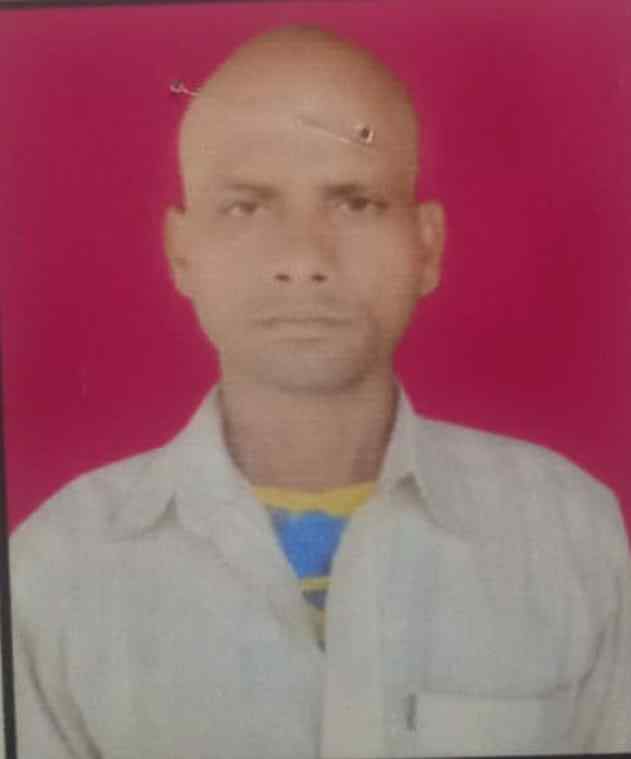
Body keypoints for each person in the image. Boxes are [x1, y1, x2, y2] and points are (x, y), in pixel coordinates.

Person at [8, 24, 631, 759]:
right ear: (182, 253)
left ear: (426, 246)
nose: (303, 258)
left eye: (355, 203)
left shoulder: (571, 536)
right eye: (246, 207)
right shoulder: (53, 571)